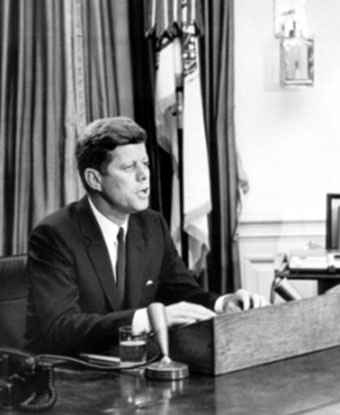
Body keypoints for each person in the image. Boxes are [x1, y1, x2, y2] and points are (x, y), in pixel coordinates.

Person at [25, 116, 267, 356]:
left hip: (134, 365)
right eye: (130, 167)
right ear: (94, 179)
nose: (144, 176)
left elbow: (185, 294)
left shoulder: (151, 225)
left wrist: (224, 304)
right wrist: (151, 318)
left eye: (145, 164)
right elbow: (62, 327)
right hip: (71, 376)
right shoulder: (55, 234)